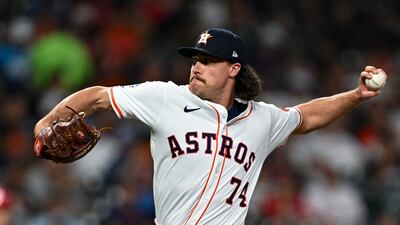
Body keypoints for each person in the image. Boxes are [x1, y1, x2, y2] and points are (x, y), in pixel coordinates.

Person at [34, 28, 386, 225]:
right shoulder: (165, 98)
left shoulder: (261, 119)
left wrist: (355, 95)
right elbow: (98, 96)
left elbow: (306, 117)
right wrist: (48, 121)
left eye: (208, 60)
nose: (196, 66)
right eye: (195, 59)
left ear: (233, 69)